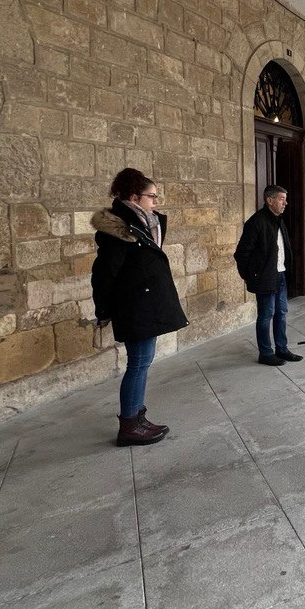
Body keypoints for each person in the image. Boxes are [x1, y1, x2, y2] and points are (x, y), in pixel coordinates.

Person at [90, 167, 188, 447]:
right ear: (135, 197)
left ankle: (137, 416)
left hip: (146, 303)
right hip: (134, 305)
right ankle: (129, 426)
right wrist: (104, 309)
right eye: (152, 196)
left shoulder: (143, 223)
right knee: (138, 364)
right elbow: (105, 272)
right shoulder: (119, 228)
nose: (156, 202)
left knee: (142, 363)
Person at [234, 184, 303, 367]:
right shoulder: (256, 222)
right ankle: (265, 353)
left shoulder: (278, 220)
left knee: (281, 313)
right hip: (264, 277)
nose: (285, 203)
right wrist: (250, 276)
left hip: (280, 275)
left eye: (285, 199)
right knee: (266, 315)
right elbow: (241, 253)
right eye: (281, 199)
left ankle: (282, 349)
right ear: (269, 200)